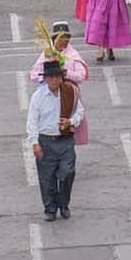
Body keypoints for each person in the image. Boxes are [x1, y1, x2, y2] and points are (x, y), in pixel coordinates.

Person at [26, 58, 83, 221]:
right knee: (47, 178)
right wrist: (34, 143)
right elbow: (31, 121)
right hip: (45, 140)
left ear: (61, 77)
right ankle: (50, 208)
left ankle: (63, 203)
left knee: (67, 173)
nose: (54, 80)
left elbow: (79, 111)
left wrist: (70, 122)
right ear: (45, 78)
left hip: (64, 140)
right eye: (50, 77)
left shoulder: (70, 91)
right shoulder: (38, 97)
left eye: (57, 76)